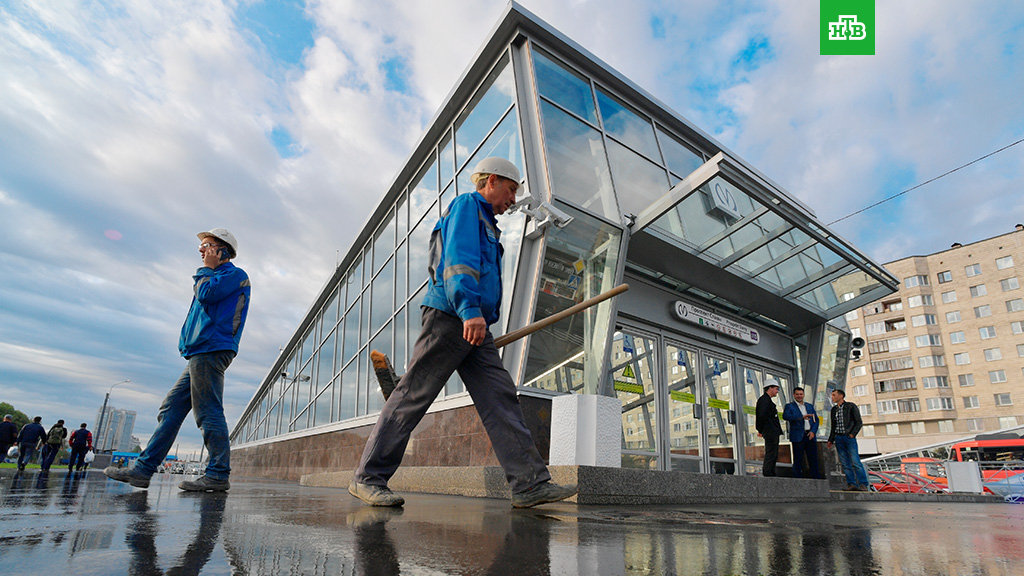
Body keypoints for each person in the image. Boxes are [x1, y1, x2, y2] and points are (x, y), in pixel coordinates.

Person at [349, 157, 577, 509]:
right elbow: (459, 260)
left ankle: (530, 485)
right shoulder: (468, 206)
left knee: (500, 398)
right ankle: (368, 478)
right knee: (413, 396)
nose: (512, 200)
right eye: (511, 189)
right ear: (491, 181)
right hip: (453, 314)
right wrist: (469, 310)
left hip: (475, 324)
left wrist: (478, 316)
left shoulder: (490, 222)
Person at [105, 228, 250, 492]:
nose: (201, 250)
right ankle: (142, 470)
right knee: (170, 408)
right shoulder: (213, 276)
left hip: (211, 348)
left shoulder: (233, 275)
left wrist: (206, 269)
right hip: (200, 350)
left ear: (223, 250)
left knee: (208, 410)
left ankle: (218, 473)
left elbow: (206, 296)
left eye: (206, 245)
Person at [827, 389, 869, 491]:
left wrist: (852, 434)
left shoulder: (850, 406)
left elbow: (858, 422)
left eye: (834, 395)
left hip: (848, 437)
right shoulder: (834, 410)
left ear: (841, 396)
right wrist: (831, 439)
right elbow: (833, 426)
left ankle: (863, 484)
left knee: (855, 461)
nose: (832, 397)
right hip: (839, 437)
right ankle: (851, 484)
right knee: (845, 463)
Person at [783, 387, 820, 479]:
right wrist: (801, 416)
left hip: (810, 435)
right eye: (797, 394)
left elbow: (816, 420)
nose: (799, 396)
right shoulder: (789, 406)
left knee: (813, 458)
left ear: (803, 395)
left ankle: (816, 479)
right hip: (798, 436)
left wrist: (813, 432)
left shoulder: (809, 406)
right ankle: (798, 478)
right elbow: (786, 416)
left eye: (801, 394)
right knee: (798, 459)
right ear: (793, 395)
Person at [755, 380, 784, 477]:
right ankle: (768, 472)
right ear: (770, 388)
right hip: (770, 430)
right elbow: (761, 416)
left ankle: (770, 471)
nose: (777, 391)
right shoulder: (764, 400)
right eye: (776, 389)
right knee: (771, 453)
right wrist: (760, 429)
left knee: (773, 452)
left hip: (771, 430)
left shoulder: (766, 400)